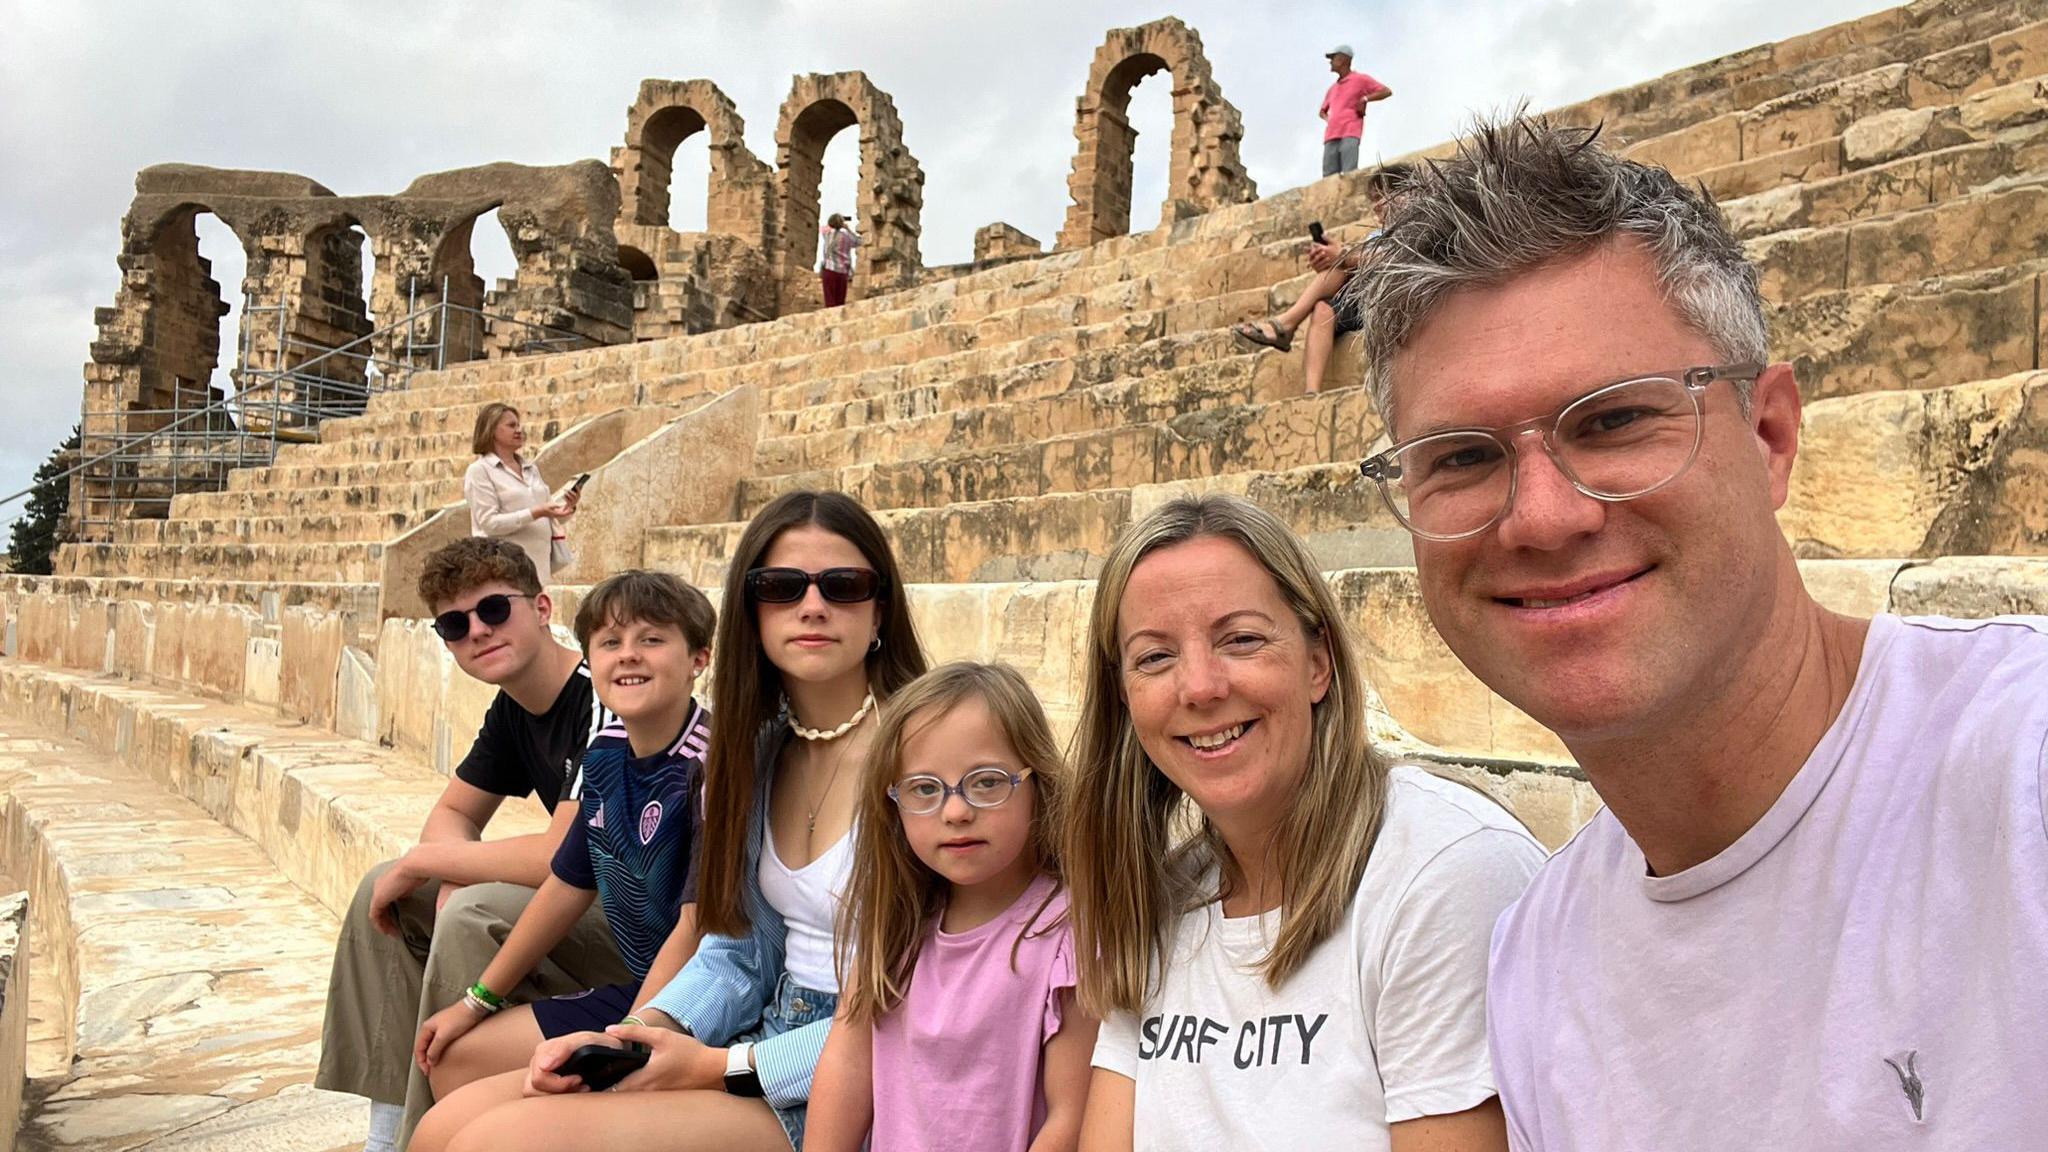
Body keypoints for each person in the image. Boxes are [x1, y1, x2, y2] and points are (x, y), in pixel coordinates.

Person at [1346, 112, 2048, 1150]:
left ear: (1767, 435)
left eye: (1615, 420)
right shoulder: (1534, 965)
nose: (1542, 516)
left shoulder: (2017, 772)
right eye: (1458, 457)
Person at [416, 490, 929, 1152]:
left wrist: (722, 1066)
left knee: (495, 1143)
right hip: (762, 1026)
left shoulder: (926, 752)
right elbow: (738, 951)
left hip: (857, 1073)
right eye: (779, 587)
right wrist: (644, 1030)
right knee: (446, 1124)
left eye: (844, 584)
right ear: (752, 612)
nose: (812, 605)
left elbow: (934, 999)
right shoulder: (755, 754)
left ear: (880, 606)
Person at [1065, 493, 1545, 1152]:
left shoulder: (1443, 870)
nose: (1199, 686)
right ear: (1125, 696)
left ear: (1317, 663)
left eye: (1241, 639)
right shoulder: (1165, 897)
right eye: (1154, 657)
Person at [315, 537, 629, 1152]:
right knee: (383, 890)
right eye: (455, 625)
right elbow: (455, 811)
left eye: (493, 610)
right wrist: (448, 866)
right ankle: (387, 1132)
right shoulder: (513, 708)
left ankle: (435, 1135)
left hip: (639, 927)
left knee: (467, 911)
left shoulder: (603, 696)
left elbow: (557, 856)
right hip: (580, 902)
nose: (478, 633)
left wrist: (437, 864)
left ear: (541, 607)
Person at [409, 570, 717, 1147]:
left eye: (652, 640)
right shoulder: (604, 753)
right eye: (610, 643)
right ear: (592, 660)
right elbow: (565, 884)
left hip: (693, 1003)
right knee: (455, 1058)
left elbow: (698, 927)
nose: (629, 656)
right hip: (636, 988)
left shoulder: (710, 767)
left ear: (699, 657)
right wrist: (476, 1002)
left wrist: (630, 1036)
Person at [806, 661, 1098, 1152]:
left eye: (986, 782)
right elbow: (846, 1072)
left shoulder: (1068, 934)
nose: (957, 811)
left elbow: (1072, 1118)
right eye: (924, 789)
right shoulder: (895, 925)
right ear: (893, 806)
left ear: (1037, 783)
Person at [1233, 165, 1410, 393]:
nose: (1375, 206)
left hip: (1399, 297)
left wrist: (1343, 257)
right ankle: (1311, 392)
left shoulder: (1423, 224)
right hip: (1366, 299)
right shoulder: (1376, 235)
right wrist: (1330, 262)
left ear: (1405, 193)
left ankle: (1285, 324)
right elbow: (1359, 267)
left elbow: (1394, 257)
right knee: (1323, 308)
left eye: (1381, 197)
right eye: (1373, 199)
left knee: (1343, 260)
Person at [465, 402, 577, 584]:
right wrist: (536, 512)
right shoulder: (480, 470)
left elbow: (550, 516)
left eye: (518, 425)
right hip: (503, 570)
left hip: (538, 569)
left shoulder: (530, 469)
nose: (519, 430)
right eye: (511, 425)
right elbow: (489, 524)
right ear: (491, 429)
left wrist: (568, 506)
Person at [1318, 45, 1391, 177]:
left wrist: (1365, 98)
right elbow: (1322, 111)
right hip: (1331, 134)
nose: (1331, 62)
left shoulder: (1360, 79)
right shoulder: (1332, 89)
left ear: (1342, 59)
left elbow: (1386, 91)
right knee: (1328, 176)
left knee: (1349, 173)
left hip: (1350, 132)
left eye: (1333, 58)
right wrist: (1329, 119)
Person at [818, 214, 862, 308]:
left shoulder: (827, 233)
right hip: (843, 272)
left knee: (830, 301)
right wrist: (847, 228)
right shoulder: (847, 237)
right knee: (840, 302)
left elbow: (824, 227)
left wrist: (837, 220)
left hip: (829, 270)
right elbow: (859, 241)